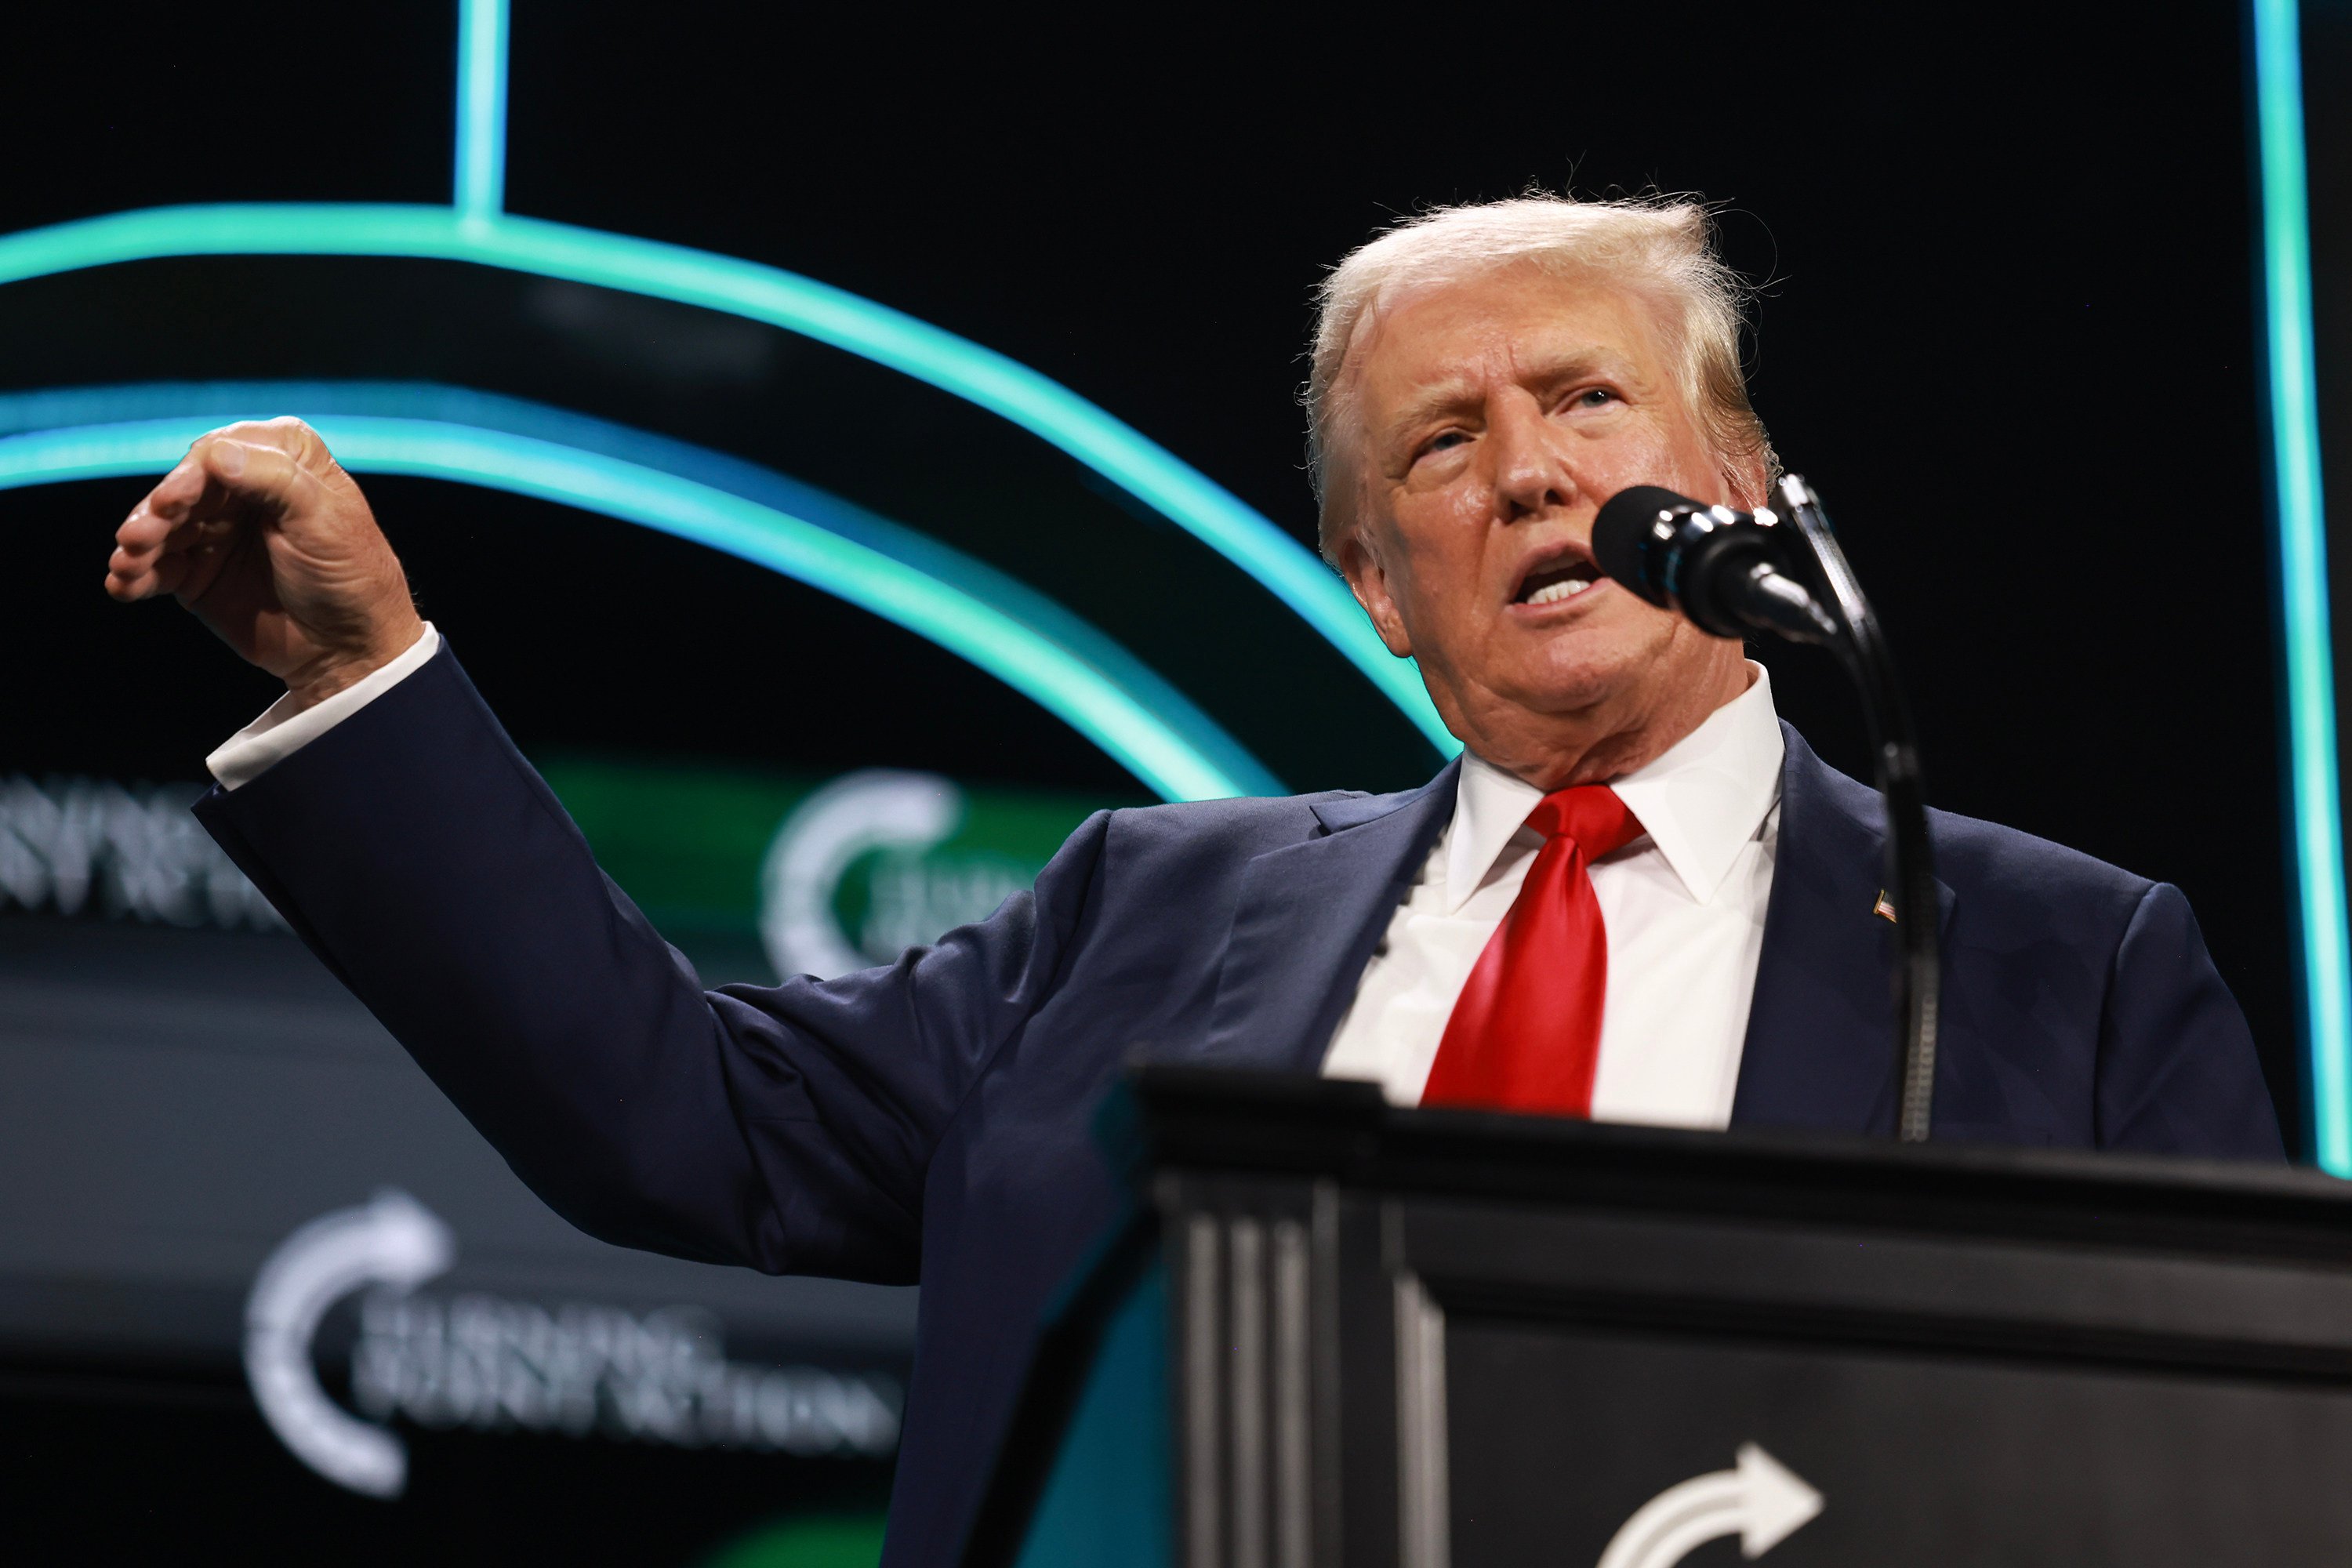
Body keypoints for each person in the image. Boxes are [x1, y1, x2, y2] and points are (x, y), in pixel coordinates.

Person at [103, 196, 2281, 1565]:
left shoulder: (2059, 965)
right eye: (1443, 442)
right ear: (1375, 592)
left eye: (1589, 402)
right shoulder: (1146, 912)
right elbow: (691, 1125)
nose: (1527, 461)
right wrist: (361, 684)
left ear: (1740, 495)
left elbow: (2240, 1489)